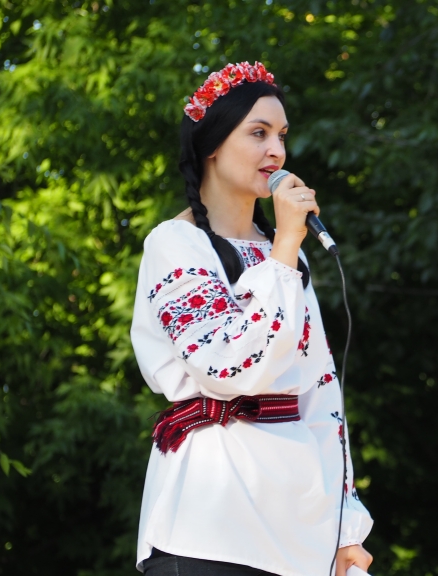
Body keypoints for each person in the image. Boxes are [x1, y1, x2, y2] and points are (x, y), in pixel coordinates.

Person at [129, 62, 373, 576]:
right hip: (211, 519)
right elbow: (227, 367)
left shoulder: (287, 254)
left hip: (300, 522)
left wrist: (346, 525)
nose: (277, 151)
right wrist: (285, 248)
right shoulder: (175, 244)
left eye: (282, 135)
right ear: (212, 145)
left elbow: (321, 392)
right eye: (258, 133)